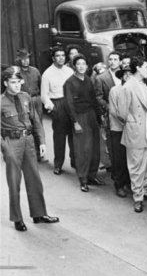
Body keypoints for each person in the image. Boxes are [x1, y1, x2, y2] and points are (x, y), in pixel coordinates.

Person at [1, 67, 59, 231]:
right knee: (14, 181)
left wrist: (41, 141)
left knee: (34, 178)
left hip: (28, 141)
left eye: (18, 82)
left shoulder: (26, 97)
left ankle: (39, 214)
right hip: (11, 142)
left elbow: (36, 121)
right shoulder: (1, 102)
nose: (17, 85)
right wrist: (5, 146)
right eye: (13, 82)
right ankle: (17, 218)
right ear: (6, 83)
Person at [118, 56, 147, 213]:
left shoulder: (143, 85)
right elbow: (121, 113)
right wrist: (132, 124)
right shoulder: (128, 87)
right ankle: (137, 197)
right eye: (146, 66)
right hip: (135, 131)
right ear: (138, 68)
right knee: (136, 166)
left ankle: (145, 190)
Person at [64, 54, 104, 192]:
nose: (81, 66)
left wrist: (99, 117)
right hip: (79, 117)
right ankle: (83, 179)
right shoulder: (69, 82)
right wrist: (75, 122)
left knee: (94, 147)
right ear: (74, 66)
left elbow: (94, 100)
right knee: (83, 149)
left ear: (87, 66)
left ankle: (92, 175)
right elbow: (69, 104)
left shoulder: (88, 80)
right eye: (78, 64)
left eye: (84, 64)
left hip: (91, 115)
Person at [40, 46, 75, 175]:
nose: (61, 58)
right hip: (57, 104)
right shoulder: (47, 74)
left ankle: (75, 161)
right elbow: (44, 95)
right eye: (58, 56)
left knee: (74, 134)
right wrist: (53, 108)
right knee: (59, 137)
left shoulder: (70, 71)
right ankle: (58, 164)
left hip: (70, 103)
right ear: (53, 58)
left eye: (63, 56)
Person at [14, 48, 46, 163]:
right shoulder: (17, 73)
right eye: (23, 59)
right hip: (23, 101)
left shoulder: (35, 71)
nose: (25, 61)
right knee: (25, 126)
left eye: (27, 58)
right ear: (19, 60)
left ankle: (39, 153)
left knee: (38, 125)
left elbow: (42, 85)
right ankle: (26, 155)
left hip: (36, 99)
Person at [107, 64, 132, 198]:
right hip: (118, 128)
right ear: (121, 76)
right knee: (119, 158)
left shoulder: (135, 89)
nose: (128, 76)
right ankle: (119, 185)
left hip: (132, 129)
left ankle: (129, 182)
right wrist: (126, 121)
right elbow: (113, 111)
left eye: (130, 74)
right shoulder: (115, 90)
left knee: (131, 157)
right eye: (125, 74)